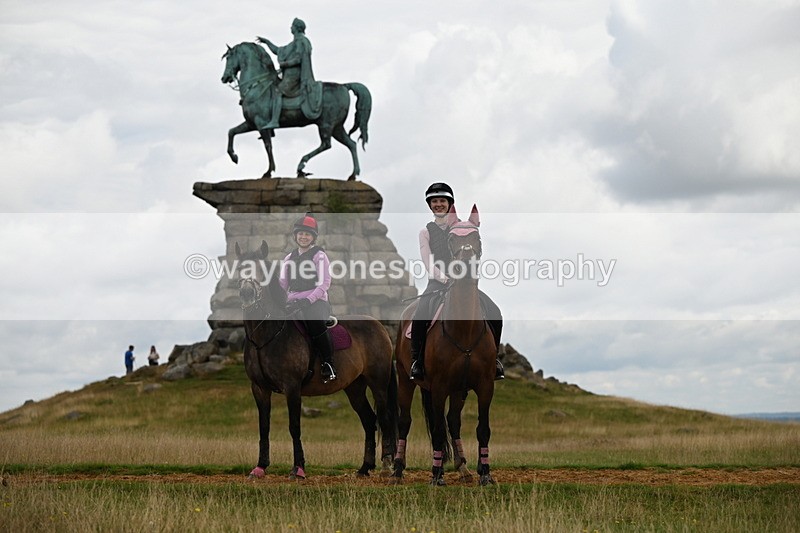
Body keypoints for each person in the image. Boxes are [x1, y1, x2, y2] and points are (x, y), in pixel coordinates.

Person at [409, 182, 505, 381]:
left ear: (449, 203)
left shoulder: (463, 227)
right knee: (420, 314)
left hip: (464, 284)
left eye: (442, 201)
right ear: (429, 205)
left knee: (495, 312)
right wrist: (444, 278)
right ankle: (417, 361)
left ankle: (493, 360)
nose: (438, 204)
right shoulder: (425, 232)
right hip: (438, 282)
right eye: (434, 201)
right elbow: (428, 262)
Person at [279, 213, 337, 383]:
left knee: (314, 322)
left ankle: (328, 363)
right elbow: (283, 283)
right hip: (293, 301)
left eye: (307, 234)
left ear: (313, 237)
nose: (303, 237)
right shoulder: (289, 258)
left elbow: (324, 283)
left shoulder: (319, 255)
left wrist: (308, 300)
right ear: (295, 235)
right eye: (301, 234)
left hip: (316, 301)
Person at [256, 18, 320, 128]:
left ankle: (275, 121)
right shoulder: (293, 43)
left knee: (277, 91)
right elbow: (278, 50)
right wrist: (267, 42)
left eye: (292, 26)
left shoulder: (302, 41)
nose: (290, 27)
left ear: (296, 28)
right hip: (289, 75)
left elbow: (299, 59)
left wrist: (285, 64)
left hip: (295, 76)